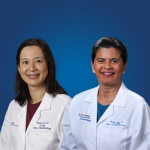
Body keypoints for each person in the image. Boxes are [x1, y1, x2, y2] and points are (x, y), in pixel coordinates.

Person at [61, 37, 150, 150]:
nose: (107, 66)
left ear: (124, 67)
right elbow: (67, 147)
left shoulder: (138, 106)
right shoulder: (77, 102)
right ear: (93, 66)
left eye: (114, 61)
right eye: (101, 61)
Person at [0, 38, 71, 150]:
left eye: (38, 61)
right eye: (25, 62)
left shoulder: (65, 105)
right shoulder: (14, 106)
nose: (32, 68)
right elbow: (4, 146)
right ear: (19, 68)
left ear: (48, 64)